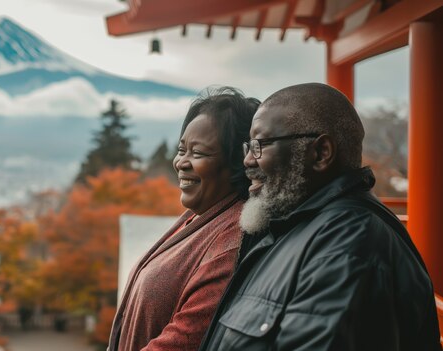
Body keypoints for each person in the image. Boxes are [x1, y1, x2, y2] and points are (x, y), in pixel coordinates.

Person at [200, 83, 441, 350]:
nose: (248, 160)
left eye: (261, 145)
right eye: (249, 146)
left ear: (321, 152)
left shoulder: (350, 245)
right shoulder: (296, 229)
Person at [108, 87, 260, 351]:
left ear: (239, 161)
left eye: (198, 153)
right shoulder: (198, 217)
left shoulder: (231, 242)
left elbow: (183, 341)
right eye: (182, 150)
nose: (181, 162)